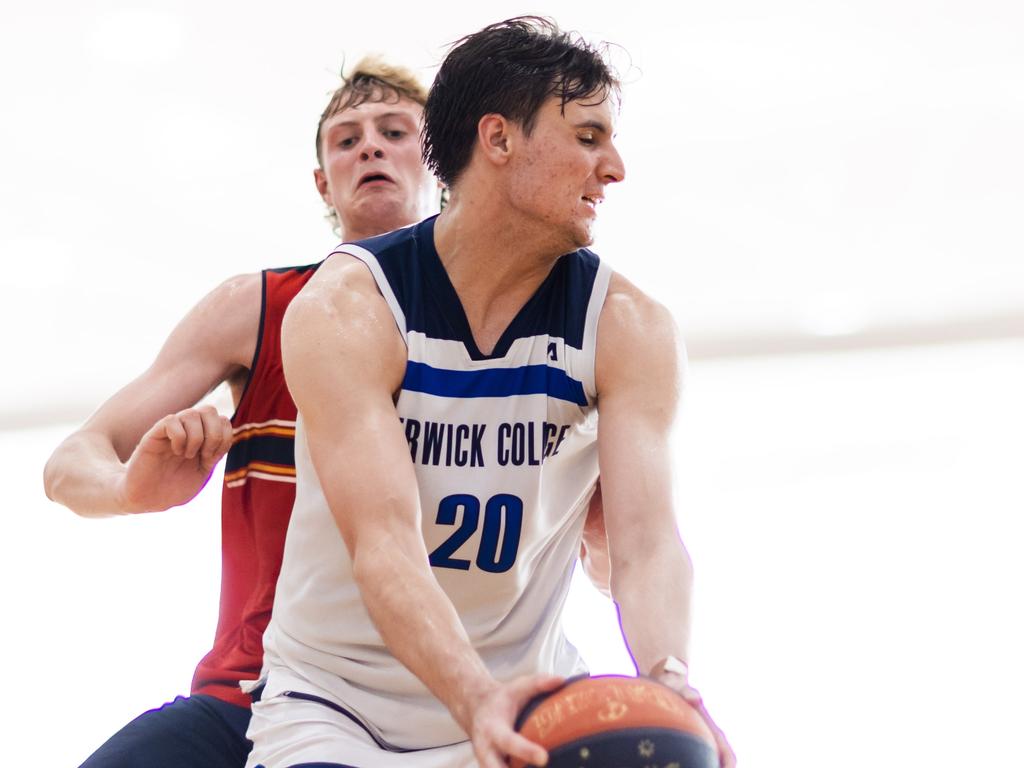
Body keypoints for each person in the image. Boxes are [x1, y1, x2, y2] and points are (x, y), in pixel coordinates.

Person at [246, 16, 735, 768]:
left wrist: (670, 677)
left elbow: (644, 545)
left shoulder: (629, 325)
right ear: (499, 140)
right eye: (588, 136)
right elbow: (385, 546)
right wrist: (475, 700)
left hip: (528, 691)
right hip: (339, 706)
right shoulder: (350, 306)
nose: (615, 167)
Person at [42, 57, 443, 768]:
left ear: (437, 158)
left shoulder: (504, 328)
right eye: (346, 139)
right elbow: (74, 458)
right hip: (251, 696)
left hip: (434, 705)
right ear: (324, 181)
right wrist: (130, 488)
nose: (370, 147)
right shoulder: (257, 307)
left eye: (393, 130)